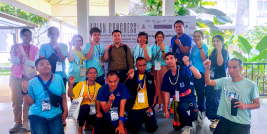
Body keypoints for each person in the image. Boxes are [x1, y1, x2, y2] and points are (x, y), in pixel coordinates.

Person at [203, 58, 260, 134]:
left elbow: (257, 104)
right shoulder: (224, 81)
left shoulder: (251, 85)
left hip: (242, 123)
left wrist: (245, 106)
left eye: (234, 67)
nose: (231, 70)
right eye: (229, 67)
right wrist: (207, 68)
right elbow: (208, 82)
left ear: (241, 69)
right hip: (225, 120)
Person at [22, 57, 68, 134]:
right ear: (36, 69)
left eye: (48, 63)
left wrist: (65, 110)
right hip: (37, 116)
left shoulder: (58, 78)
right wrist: (24, 91)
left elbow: (63, 95)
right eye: (42, 64)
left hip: (56, 115)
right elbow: (29, 103)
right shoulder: (31, 83)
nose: (46, 66)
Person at [161, 52, 201, 134]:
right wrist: (165, 109)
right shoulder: (166, 76)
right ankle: (188, 119)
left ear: (175, 59)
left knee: (189, 114)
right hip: (178, 101)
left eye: (171, 58)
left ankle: (189, 125)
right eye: (167, 59)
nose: (169, 61)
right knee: (176, 127)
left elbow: (198, 76)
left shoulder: (184, 69)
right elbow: (167, 93)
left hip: (189, 99)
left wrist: (188, 64)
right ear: (165, 61)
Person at [9, 28, 39, 132]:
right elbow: (16, 62)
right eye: (25, 35)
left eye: (29, 35)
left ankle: (26, 122)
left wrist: (24, 60)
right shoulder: (15, 47)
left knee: (27, 101)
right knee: (16, 101)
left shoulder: (35, 49)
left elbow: (36, 63)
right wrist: (18, 56)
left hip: (29, 77)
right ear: (21, 36)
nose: (28, 37)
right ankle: (17, 122)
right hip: (16, 77)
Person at [124, 57, 158, 133]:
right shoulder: (132, 75)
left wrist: (151, 107)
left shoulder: (151, 76)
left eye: (144, 65)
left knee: (152, 129)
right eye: (140, 65)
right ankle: (130, 119)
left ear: (146, 65)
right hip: (135, 108)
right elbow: (126, 90)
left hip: (147, 108)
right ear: (136, 66)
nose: (142, 67)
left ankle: (150, 119)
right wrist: (131, 79)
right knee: (134, 130)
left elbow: (155, 93)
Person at [68, 67, 102, 134]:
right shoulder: (81, 84)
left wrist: (98, 112)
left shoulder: (99, 87)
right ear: (86, 75)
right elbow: (70, 95)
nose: (92, 74)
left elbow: (99, 101)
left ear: (97, 75)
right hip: (81, 110)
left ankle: (90, 124)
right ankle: (80, 127)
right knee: (86, 107)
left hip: (93, 110)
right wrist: (71, 84)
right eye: (90, 73)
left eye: (94, 73)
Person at [205, 35, 229, 129]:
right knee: (210, 99)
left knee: (216, 100)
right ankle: (213, 120)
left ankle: (218, 120)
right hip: (211, 79)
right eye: (214, 41)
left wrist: (219, 50)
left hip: (219, 79)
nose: (215, 42)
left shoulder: (224, 52)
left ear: (222, 42)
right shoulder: (213, 52)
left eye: (218, 41)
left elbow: (220, 63)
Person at [189, 30, 208, 125]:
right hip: (192, 72)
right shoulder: (193, 47)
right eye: (195, 36)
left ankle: (201, 112)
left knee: (200, 93)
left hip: (200, 72)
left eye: (198, 36)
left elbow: (204, 58)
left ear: (202, 37)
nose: (196, 38)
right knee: (192, 92)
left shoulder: (203, 46)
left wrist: (200, 47)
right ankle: (194, 112)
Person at [150, 31, 169, 113]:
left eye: (161, 37)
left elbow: (165, 58)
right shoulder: (152, 47)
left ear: (163, 38)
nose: (159, 38)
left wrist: (162, 50)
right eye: (158, 37)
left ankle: (165, 107)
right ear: (155, 38)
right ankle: (159, 105)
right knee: (156, 85)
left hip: (163, 68)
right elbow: (150, 57)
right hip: (154, 68)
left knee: (163, 86)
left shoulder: (166, 47)